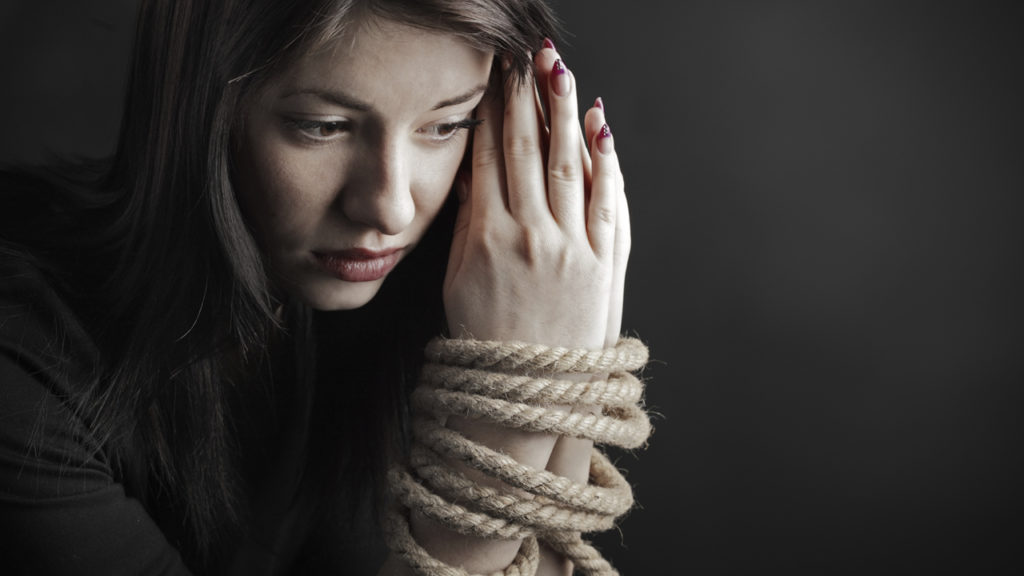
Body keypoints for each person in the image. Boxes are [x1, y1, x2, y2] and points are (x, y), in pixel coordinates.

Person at [0, 0, 646, 574]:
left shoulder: (454, 301)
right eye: (324, 126)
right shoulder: (24, 366)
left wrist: (562, 353)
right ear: (208, 110)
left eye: (448, 124)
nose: (389, 208)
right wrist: (511, 423)